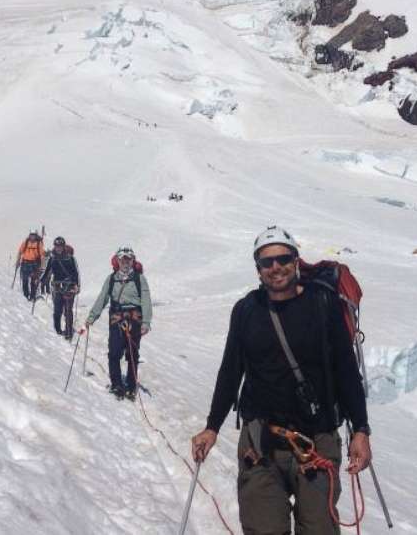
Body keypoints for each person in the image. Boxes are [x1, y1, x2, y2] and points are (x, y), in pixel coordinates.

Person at [190, 225, 371, 534]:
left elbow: (345, 369)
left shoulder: (323, 305)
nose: (275, 268)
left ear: (296, 260)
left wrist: (361, 430)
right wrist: (212, 426)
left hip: (318, 439)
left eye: (283, 259)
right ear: (258, 270)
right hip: (260, 442)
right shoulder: (247, 310)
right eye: (266, 262)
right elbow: (231, 370)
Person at [83, 246, 151, 400]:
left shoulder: (139, 279)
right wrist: (92, 317)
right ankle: (117, 384)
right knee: (114, 352)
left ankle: (131, 386)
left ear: (133, 261)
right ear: (118, 261)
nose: (126, 262)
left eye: (129, 259)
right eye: (123, 259)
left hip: (135, 318)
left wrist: (146, 322)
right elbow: (102, 298)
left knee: (132, 353)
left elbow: (146, 300)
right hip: (116, 317)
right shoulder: (112, 278)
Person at [42, 236, 81, 339]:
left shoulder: (70, 258)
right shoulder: (52, 258)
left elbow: (76, 273)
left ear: (63, 246)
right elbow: (47, 271)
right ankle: (57, 330)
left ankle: (68, 333)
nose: (58, 248)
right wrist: (41, 281)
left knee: (68, 310)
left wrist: (77, 285)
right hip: (57, 287)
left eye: (60, 246)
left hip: (69, 287)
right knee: (57, 310)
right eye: (56, 246)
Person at [15, 231, 44, 300]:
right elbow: (20, 252)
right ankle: (26, 295)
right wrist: (18, 261)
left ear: (36, 235)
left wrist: (42, 266)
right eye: (31, 235)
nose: (32, 237)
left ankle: (32, 296)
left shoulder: (39, 243)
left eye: (34, 235)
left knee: (33, 281)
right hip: (25, 263)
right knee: (24, 280)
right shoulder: (25, 242)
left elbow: (42, 255)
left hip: (35, 264)